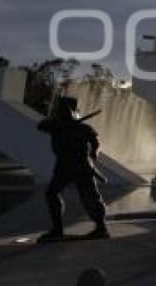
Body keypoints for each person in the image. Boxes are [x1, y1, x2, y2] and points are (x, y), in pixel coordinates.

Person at [37, 96, 108, 241]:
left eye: (64, 111)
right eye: (59, 112)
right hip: (63, 166)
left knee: (91, 197)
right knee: (51, 194)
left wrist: (94, 152)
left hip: (82, 166)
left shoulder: (83, 128)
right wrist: (60, 126)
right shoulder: (55, 127)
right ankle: (57, 229)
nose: (60, 113)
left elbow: (95, 142)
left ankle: (101, 228)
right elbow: (41, 125)